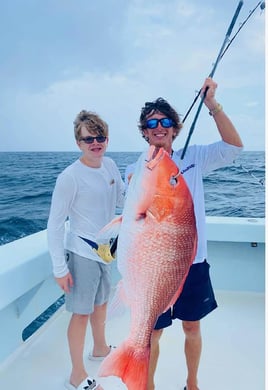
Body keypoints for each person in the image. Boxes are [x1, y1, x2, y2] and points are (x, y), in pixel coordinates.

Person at [125, 77, 243, 390]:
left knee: (192, 326)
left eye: (165, 121)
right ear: (145, 131)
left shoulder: (193, 158)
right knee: (152, 332)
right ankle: (146, 385)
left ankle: (192, 383)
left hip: (193, 262)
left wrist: (212, 105)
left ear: (176, 128)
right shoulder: (136, 170)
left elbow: (233, 147)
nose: (159, 126)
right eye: (152, 123)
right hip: (155, 267)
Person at [47, 110, 125, 390]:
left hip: (106, 251)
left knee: (101, 303)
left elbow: (122, 198)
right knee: (81, 313)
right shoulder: (69, 177)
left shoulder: (111, 165)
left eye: (100, 137)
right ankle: (77, 374)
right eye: (88, 139)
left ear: (107, 139)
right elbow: (55, 225)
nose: (95, 143)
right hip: (81, 253)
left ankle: (100, 348)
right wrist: (59, 268)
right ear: (78, 143)